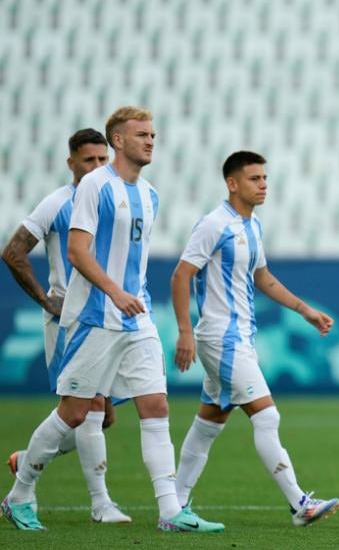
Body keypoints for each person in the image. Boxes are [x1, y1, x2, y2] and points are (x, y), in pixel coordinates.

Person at [1, 106, 222, 532]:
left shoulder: (150, 194)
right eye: (142, 134)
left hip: (135, 319)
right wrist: (115, 292)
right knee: (75, 412)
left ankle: (170, 511)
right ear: (118, 140)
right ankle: (20, 493)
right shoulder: (94, 188)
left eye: (153, 134)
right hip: (92, 318)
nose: (150, 140)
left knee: (156, 405)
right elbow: (76, 252)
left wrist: (131, 296)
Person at [171, 151, 339, 527]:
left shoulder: (253, 226)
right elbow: (181, 275)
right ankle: (299, 504)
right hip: (222, 337)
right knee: (267, 415)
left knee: (209, 423)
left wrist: (304, 310)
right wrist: (185, 330)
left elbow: (262, 278)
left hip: (238, 336)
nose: (263, 185)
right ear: (232, 184)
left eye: (265, 178)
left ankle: (174, 507)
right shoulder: (214, 225)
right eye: (254, 179)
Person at [1, 128, 129, 524]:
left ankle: (30, 460)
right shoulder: (58, 203)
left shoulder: (118, 197)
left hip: (108, 318)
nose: (96, 167)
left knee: (103, 416)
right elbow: (14, 251)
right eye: (88, 160)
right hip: (71, 321)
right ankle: (98, 503)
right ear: (71, 163)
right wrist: (45, 298)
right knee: (88, 410)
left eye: (102, 159)